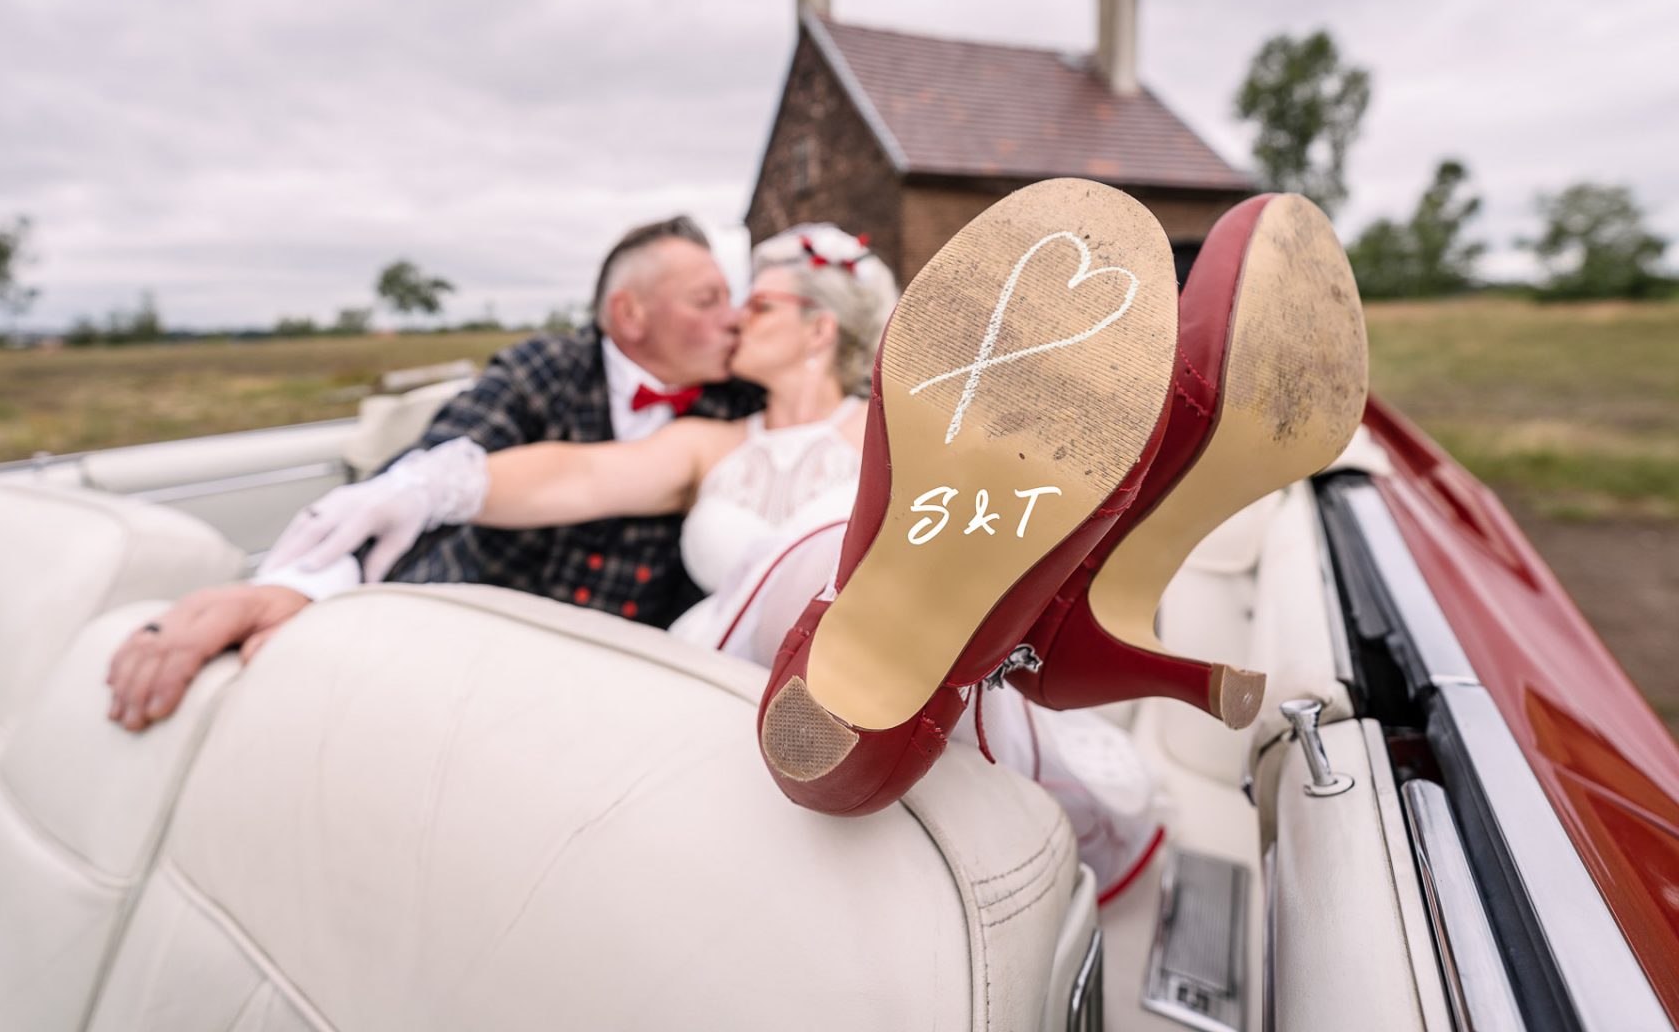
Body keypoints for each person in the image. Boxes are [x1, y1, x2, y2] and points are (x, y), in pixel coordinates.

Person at [212, 220, 1166, 896]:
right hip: (715, 679)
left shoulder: (898, 437)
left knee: (868, 554)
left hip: (874, 667)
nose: (732, 320)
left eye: (754, 304)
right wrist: (439, 482)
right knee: (836, 565)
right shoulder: (716, 439)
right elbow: (584, 477)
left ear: (816, 328)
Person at [105, 214, 762, 732]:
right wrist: (292, 588)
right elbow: (426, 473)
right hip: (460, 645)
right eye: (708, 300)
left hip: (612, 689)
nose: (733, 319)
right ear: (630, 315)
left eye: (733, 300)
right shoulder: (546, 371)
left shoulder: (739, 402)